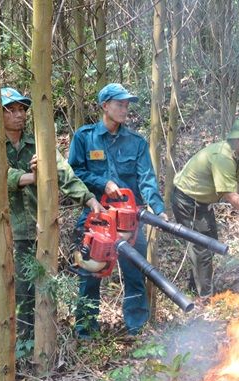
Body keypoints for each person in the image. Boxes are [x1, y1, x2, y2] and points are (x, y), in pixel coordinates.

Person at [0, 87, 102, 343]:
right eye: (11, 110)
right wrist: (33, 177)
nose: (18, 114)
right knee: (20, 291)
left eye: (22, 109)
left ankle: (45, 341)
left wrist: (89, 199)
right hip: (9, 230)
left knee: (45, 287)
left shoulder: (38, 142)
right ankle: (23, 344)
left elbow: (64, 172)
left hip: (41, 227)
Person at [68, 83, 168, 338]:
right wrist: (103, 183)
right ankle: (86, 330)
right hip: (97, 217)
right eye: (119, 104)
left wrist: (158, 208)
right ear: (105, 106)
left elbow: (146, 178)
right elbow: (74, 172)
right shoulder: (84, 137)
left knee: (134, 272)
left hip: (129, 222)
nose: (124, 109)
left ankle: (137, 327)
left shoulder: (136, 142)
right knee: (90, 272)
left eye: (126, 105)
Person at [171, 118, 239, 303]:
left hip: (203, 203)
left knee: (210, 243)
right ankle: (205, 298)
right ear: (238, 140)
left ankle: (195, 286)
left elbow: (238, 182)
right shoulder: (223, 157)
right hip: (187, 200)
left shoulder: (238, 155)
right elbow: (230, 195)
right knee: (201, 247)